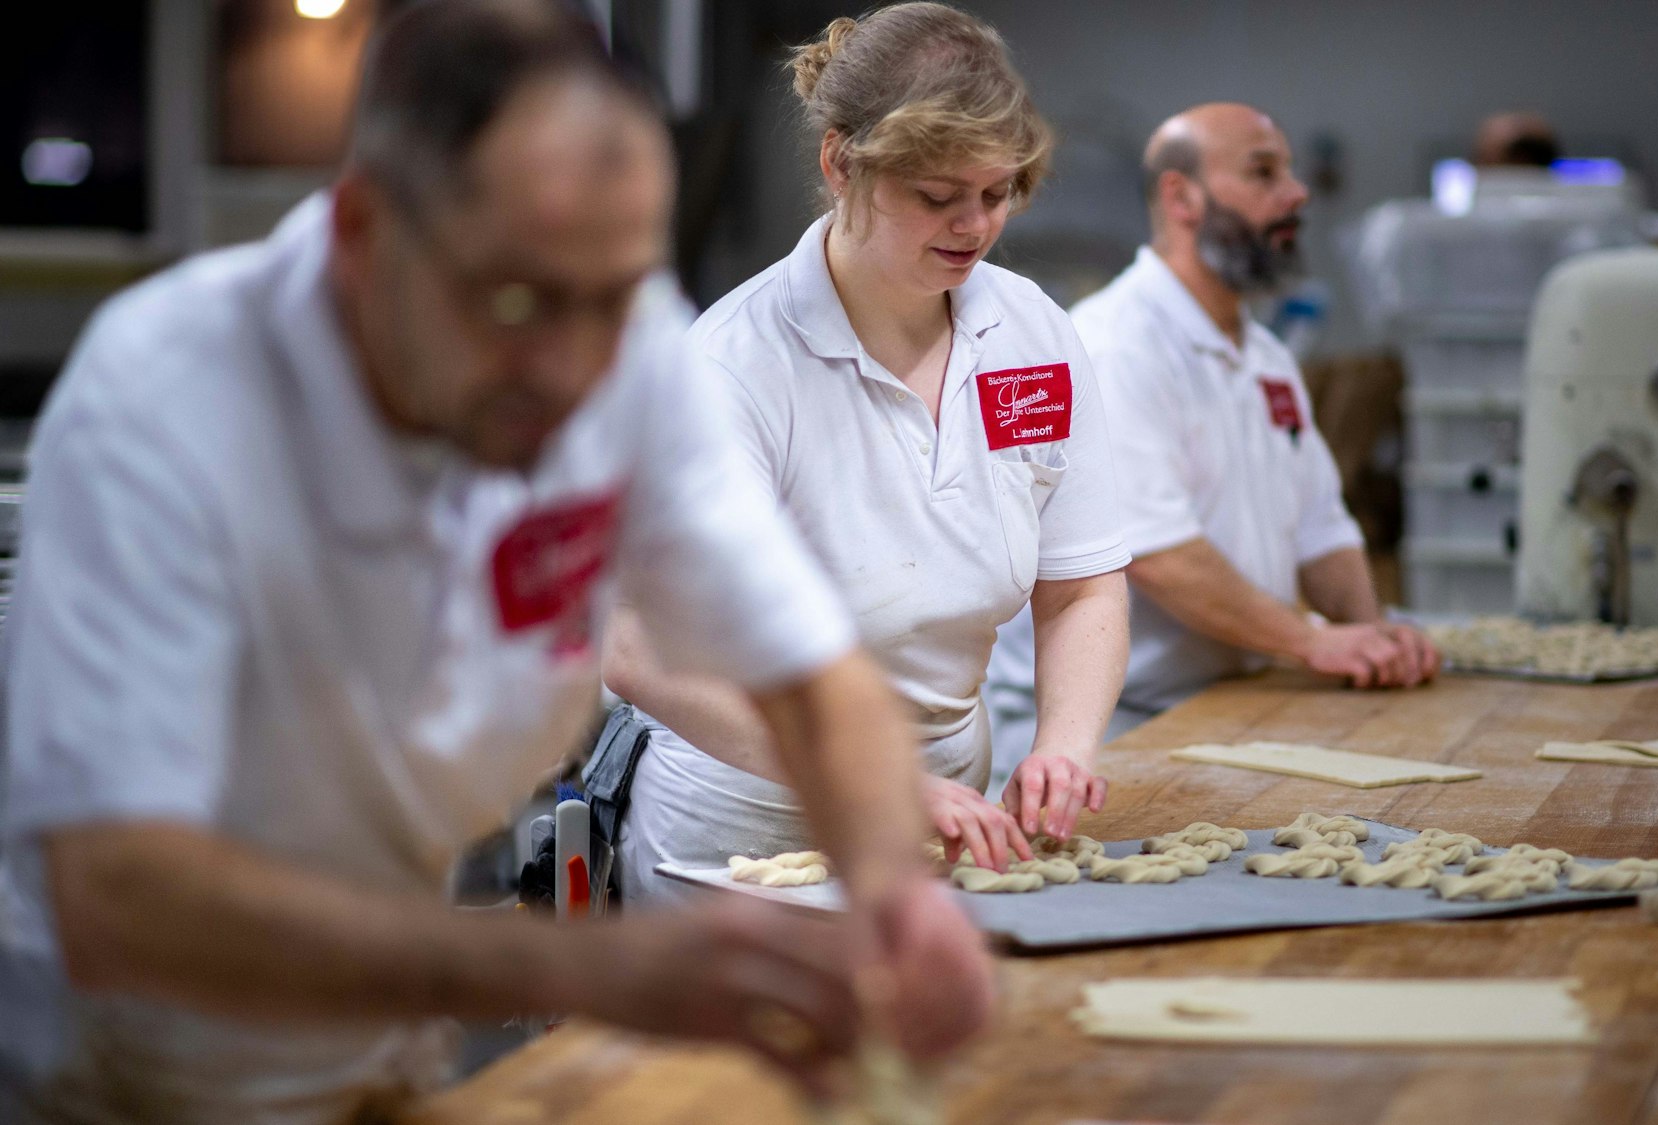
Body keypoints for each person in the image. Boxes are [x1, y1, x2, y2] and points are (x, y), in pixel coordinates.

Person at [0, 3, 989, 1121]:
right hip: (127, 1075)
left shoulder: (622, 342)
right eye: (515, 303)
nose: (572, 368)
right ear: (366, 236)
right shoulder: (169, 406)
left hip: (382, 1042)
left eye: (611, 299)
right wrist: (574, 968)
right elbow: (119, 893)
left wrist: (888, 902)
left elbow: (809, 675)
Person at [605, 2, 1129, 893]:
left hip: (952, 822)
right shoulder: (735, 365)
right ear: (841, 163)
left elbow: (1080, 585)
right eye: (937, 196)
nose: (975, 225)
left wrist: (1063, 748)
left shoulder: (1030, 332)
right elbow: (634, 647)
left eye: (997, 193)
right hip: (751, 831)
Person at [987, 103, 1439, 783]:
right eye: (1264, 173)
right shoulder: (1115, 347)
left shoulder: (1265, 357)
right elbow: (1161, 555)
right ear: (1182, 196)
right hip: (1109, 722)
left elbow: (1320, 526)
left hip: (1227, 699)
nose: (1296, 194)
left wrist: (1369, 633)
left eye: (1288, 171)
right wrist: (1313, 641)